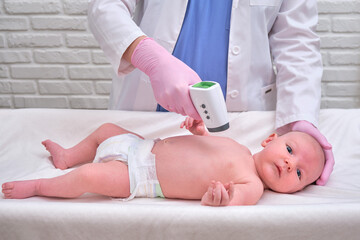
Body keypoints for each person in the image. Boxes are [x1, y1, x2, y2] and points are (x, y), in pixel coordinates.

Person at [87, 0, 334, 185]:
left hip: (241, 122)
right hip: (147, 102)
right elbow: (106, 6)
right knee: (118, 167)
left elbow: (296, 39)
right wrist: (149, 58)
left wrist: (300, 115)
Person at [2, 120, 325, 206]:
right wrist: (198, 131)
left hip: (139, 175)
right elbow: (203, 145)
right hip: (141, 145)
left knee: (89, 177)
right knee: (106, 130)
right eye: (290, 150)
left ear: (295, 189)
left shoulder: (252, 186)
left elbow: (233, 201)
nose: (288, 163)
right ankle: (68, 156)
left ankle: (41, 185)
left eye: (299, 173)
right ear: (269, 140)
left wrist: (220, 199)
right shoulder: (236, 145)